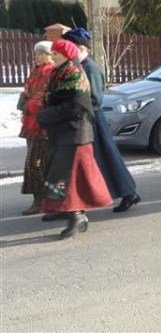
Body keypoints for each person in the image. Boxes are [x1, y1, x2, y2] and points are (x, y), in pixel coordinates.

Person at [37, 40, 112, 239]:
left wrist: (45, 115)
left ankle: (77, 217)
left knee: (69, 178)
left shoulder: (75, 74)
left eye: (56, 54)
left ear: (67, 55)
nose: (53, 57)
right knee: (57, 173)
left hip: (75, 134)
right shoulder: (59, 72)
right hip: (62, 133)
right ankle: (64, 209)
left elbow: (75, 107)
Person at [61, 28, 141, 213]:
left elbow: (96, 98)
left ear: (81, 48)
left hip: (93, 120)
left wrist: (73, 104)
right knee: (101, 161)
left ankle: (129, 193)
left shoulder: (90, 68)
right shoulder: (78, 66)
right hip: (86, 119)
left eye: (70, 46)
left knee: (107, 159)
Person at [17, 41, 54, 215]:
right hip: (31, 124)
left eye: (40, 53)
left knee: (35, 164)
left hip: (41, 126)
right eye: (36, 53)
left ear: (49, 55)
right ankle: (41, 200)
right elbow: (28, 90)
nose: (37, 56)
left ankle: (41, 201)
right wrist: (23, 97)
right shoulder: (36, 70)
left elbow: (42, 98)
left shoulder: (49, 72)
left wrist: (28, 104)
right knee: (36, 164)